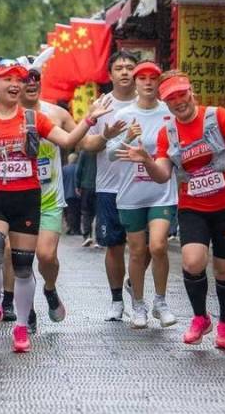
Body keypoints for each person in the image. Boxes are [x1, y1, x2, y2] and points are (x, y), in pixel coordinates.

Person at [0, 58, 110, 353]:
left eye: (19, 79)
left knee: (23, 267)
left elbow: (69, 140)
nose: (15, 84)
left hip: (27, 198)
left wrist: (89, 118)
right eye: (8, 78)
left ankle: (22, 327)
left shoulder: (35, 120)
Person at [118, 70, 225, 349]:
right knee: (192, 261)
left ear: (191, 93)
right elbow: (163, 175)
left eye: (181, 94)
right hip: (193, 207)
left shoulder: (217, 116)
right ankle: (200, 317)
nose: (178, 102)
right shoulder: (169, 132)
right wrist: (146, 160)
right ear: (166, 103)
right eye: (171, 98)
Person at [104, 61, 178, 329]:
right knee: (136, 251)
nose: (147, 83)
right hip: (131, 192)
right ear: (135, 83)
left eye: (153, 78)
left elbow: (177, 149)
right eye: (142, 78)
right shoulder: (123, 113)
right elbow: (110, 152)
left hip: (161, 191)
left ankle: (161, 302)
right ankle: (138, 304)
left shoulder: (169, 113)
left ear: (159, 82)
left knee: (157, 245)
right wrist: (126, 135)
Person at [19, 48, 79, 330]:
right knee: (19, 257)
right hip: (16, 197)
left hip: (49, 198)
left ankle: (50, 288)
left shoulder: (57, 113)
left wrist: (104, 132)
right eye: (25, 78)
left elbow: (81, 141)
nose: (31, 82)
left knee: (45, 256)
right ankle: (26, 310)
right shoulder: (3, 115)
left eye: (36, 78)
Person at [78, 50, 138, 320]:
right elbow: (87, 145)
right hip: (109, 187)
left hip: (142, 185)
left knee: (146, 247)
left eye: (130, 67)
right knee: (114, 246)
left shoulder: (150, 103)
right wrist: (106, 133)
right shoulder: (101, 105)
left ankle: (132, 282)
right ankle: (116, 299)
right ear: (110, 74)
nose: (125, 72)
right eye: (120, 68)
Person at [74, 149, 97, 245]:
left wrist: (77, 185)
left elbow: (79, 169)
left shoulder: (84, 152)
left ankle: (87, 236)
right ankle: (99, 238)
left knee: (86, 212)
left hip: (86, 185)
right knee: (99, 212)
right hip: (100, 185)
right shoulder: (102, 148)